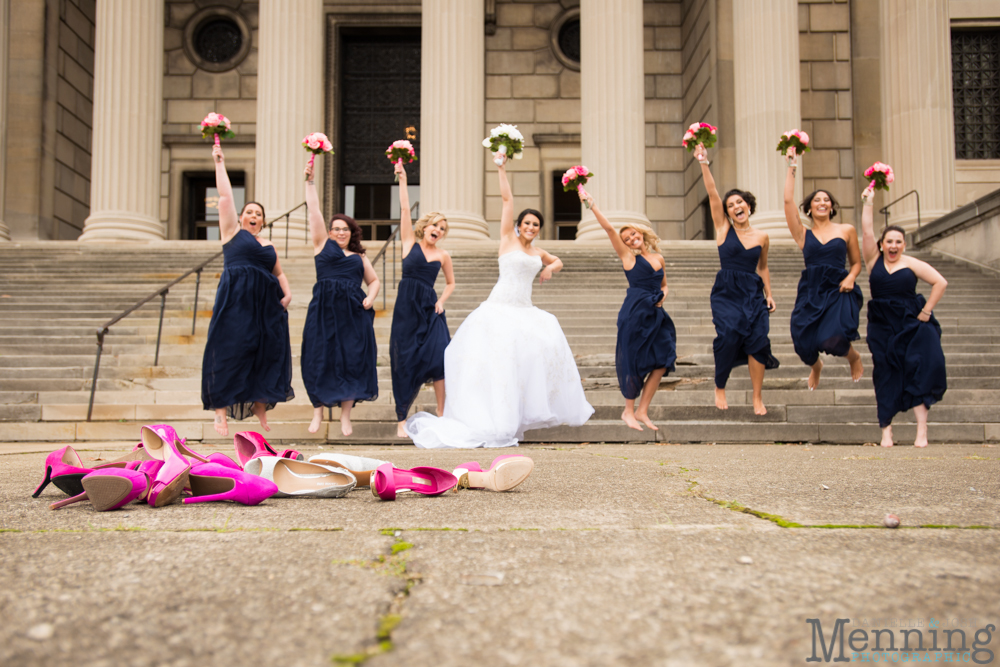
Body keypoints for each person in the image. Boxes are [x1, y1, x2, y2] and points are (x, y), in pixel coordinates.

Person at [405, 154, 594, 448]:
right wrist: (501, 167)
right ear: (519, 225)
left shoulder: (538, 251)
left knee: (527, 360)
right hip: (499, 308)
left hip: (525, 310)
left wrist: (549, 268)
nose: (531, 227)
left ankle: (513, 419)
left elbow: (558, 261)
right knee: (497, 364)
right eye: (527, 223)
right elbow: (507, 201)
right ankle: (494, 421)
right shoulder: (508, 240)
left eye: (536, 224)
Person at [202, 143, 294, 436]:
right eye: (249, 212)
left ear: (263, 221)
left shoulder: (268, 245)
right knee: (229, 350)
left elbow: (278, 272)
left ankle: (260, 406)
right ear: (241, 216)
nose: (253, 215)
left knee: (265, 352)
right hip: (237, 300)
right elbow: (226, 196)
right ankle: (221, 411)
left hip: (266, 305)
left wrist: (287, 293)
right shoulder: (231, 233)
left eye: (258, 214)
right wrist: (220, 163)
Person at [694, 142, 779, 415]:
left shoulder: (762, 237)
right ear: (727, 212)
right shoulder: (722, 228)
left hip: (753, 292)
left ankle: (757, 397)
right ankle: (720, 384)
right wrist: (704, 162)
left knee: (758, 341)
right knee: (728, 335)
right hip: (727, 291)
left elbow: (763, 267)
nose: (735, 207)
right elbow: (712, 192)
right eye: (730, 205)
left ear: (748, 206)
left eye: (739, 202)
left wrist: (769, 294)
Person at [860, 184, 947, 447]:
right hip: (882, 324)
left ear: (904, 244)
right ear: (882, 244)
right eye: (889, 241)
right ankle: (886, 430)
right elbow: (865, 230)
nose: (894, 245)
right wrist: (868, 202)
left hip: (911, 322)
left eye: (898, 241)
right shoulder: (873, 261)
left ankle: (922, 430)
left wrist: (926, 311)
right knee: (884, 372)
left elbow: (940, 282)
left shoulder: (911, 263)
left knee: (917, 370)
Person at [582, 192, 676, 431]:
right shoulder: (629, 259)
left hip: (656, 315)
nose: (631, 239)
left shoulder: (658, 258)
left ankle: (642, 410)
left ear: (641, 233)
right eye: (626, 238)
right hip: (634, 315)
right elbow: (610, 231)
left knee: (663, 361)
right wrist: (592, 206)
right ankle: (628, 411)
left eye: (633, 233)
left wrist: (663, 296)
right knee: (633, 360)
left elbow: (664, 285)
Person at [300, 159, 380, 436]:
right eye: (336, 228)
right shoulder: (322, 245)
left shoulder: (359, 256)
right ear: (330, 232)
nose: (341, 232)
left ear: (351, 232)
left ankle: (346, 416)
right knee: (318, 357)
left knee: (352, 360)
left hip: (352, 313)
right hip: (323, 310)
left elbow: (374, 280)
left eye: (345, 229)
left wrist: (370, 297)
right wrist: (310, 181)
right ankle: (318, 412)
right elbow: (314, 212)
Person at [782, 149, 864, 389]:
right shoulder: (803, 234)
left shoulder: (846, 230)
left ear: (831, 207)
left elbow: (857, 263)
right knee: (801, 339)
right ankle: (815, 366)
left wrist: (851, 277)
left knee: (833, 338)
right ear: (809, 209)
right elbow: (788, 201)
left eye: (826, 199)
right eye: (817, 199)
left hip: (839, 288)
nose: (822, 202)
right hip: (811, 289)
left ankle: (854, 356)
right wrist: (792, 166)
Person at [389, 161, 455, 438]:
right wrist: (403, 179)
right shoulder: (409, 243)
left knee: (440, 357)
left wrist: (442, 300)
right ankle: (402, 418)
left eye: (442, 228)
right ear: (425, 225)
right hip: (406, 310)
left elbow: (451, 283)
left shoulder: (443, 255)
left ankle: (443, 414)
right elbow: (404, 209)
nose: (438, 230)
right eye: (435, 225)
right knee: (403, 361)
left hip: (430, 310)